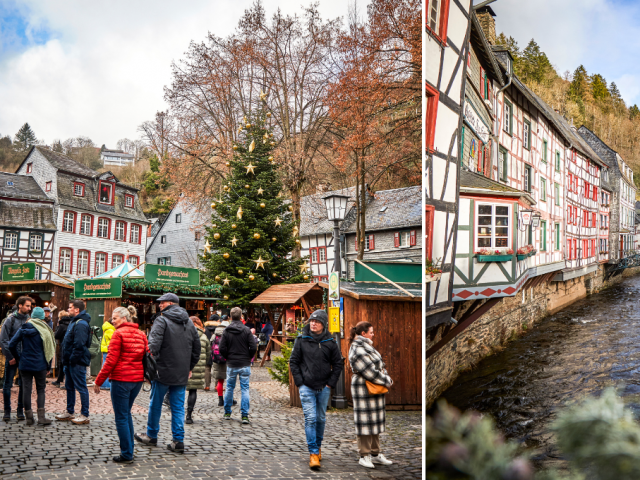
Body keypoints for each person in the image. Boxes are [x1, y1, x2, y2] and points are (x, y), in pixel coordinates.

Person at [134, 293, 200, 453]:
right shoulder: (189, 323)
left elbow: (153, 347)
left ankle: (151, 435)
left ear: (171, 303)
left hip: (162, 371)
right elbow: (197, 349)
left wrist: (149, 370)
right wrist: (189, 367)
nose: (159, 305)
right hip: (181, 372)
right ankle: (178, 441)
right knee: (177, 407)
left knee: (155, 404)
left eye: (162, 302)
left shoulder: (161, 320)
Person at [289, 309, 344, 469]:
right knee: (311, 419)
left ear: (323, 325)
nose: (313, 323)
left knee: (320, 419)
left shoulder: (330, 342)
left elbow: (338, 363)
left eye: (317, 321)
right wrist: (300, 382)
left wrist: (330, 384)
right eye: (312, 321)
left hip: (324, 386)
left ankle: (318, 447)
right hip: (306, 386)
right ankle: (313, 453)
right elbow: (294, 361)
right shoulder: (301, 340)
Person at [94, 306, 148, 464]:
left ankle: (126, 453)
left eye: (115, 318)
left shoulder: (118, 334)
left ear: (124, 319)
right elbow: (147, 355)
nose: (112, 320)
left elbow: (110, 361)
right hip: (136, 381)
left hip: (121, 380)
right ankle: (129, 449)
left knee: (121, 417)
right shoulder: (141, 334)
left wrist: (98, 380)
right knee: (126, 414)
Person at [348, 321, 394, 469]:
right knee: (365, 422)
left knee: (374, 421)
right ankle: (364, 455)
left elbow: (380, 365)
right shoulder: (357, 348)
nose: (373, 334)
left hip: (374, 387)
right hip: (364, 388)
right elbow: (369, 370)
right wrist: (386, 380)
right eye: (371, 332)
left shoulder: (366, 346)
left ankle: (376, 453)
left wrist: (385, 376)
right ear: (363, 334)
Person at [8, 307, 55, 426]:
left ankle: (29, 418)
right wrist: (48, 366)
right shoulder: (45, 330)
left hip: (25, 364)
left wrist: (19, 357)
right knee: (41, 390)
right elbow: (48, 350)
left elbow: (11, 344)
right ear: (42, 317)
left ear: (32, 316)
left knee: (26, 390)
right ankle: (41, 417)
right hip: (40, 365)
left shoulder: (23, 328)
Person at [55, 300, 92, 425]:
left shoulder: (81, 324)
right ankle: (70, 411)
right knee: (69, 387)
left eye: (70, 307)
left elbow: (79, 345)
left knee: (81, 387)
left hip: (77, 362)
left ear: (77, 310)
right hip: (70, 361)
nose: (68, 309)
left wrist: (72, 359)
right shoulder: (73, 321)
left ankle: (84, 414)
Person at [219, 307, 256, 424]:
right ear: (241, 317)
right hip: (244, 363)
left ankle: (227, 412)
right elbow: (253, 347)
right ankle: (244, 415)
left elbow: (221, 348)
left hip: (232, 363)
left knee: (230, 388)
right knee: (245, 389)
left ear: (230, 317)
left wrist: (227, 356)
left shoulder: (227, 331)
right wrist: (249, 357)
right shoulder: (246, 330)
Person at [0, 296, 33, 421]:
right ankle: (7, 411)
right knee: (7, 385)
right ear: (20, 305)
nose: (29, 308)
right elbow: (3, 340)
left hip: (24, 359)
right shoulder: (10, 320)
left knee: (23, 385)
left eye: (30, 306)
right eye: (27, 306)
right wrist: (10, 356)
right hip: (12, 358)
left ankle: (20, 411)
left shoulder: (30, 321)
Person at [185, 316, 210, 425]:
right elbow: (209, 353)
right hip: (198, 367)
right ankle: (189, 415)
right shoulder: (204, 337)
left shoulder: (184, 334)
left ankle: (177, 412)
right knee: (193, 391)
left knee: (179, 390)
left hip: (185, 367)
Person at [52, 310, 72, 388]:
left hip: (63, 346)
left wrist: (57, 326)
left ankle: (61, 381)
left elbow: (56, 336)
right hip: (69, 346)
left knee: (62, 363)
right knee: (65, 363)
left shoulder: (62, 325)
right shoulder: (70, 324)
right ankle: (60, 380)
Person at [203, 314, 219, 391]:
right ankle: (217, 385)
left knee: (207, 368)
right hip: (216, 350)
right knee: (217, 368)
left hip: (207, 349)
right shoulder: (218, 328)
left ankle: (207, 385)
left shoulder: (205, 329)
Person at [100, 313, 116, 391]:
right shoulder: (111, 330)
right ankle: (105, 384)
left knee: (105, 366)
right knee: (106, 367)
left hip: (105, 349)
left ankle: (104, 384)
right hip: (108, 350)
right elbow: (113, 341)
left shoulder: (108, 329)